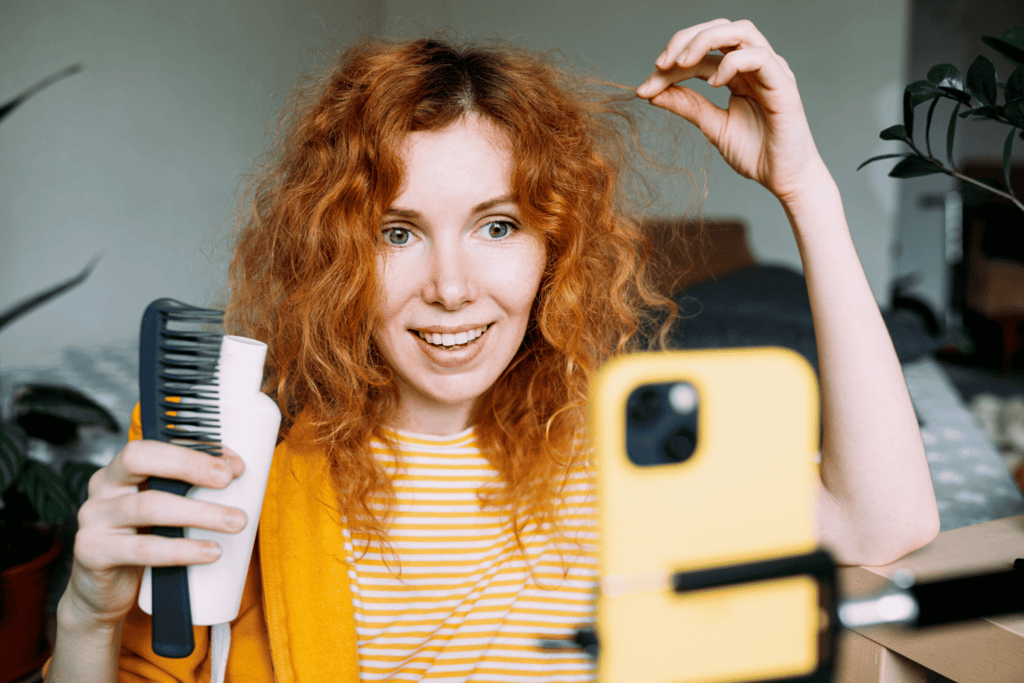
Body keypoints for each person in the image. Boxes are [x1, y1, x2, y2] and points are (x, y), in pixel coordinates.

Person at [46, 19, 939, 683]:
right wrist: (88, 614)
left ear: (555, 243)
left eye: (497, 225)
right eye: (398, 232)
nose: (450, 286)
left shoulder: (634, 444)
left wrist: (805, 186)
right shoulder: (241, 470)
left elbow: (884, 523)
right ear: (335, 253)